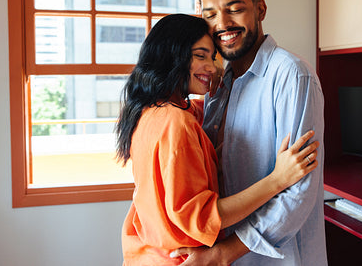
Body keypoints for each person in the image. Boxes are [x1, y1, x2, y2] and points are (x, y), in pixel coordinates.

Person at [115, 13, 319, 265]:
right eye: (200, 56)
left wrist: (220, 79)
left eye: (213, 57)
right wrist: (278, 180)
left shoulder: (147, 111)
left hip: (148, 253)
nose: (211, 67)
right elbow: (201, 218)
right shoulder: (176, 123)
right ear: (171, 55)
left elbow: (198, 118)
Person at [171, 0, 328, 265]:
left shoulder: (291, 76)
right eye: (211, 15)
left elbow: (299, 192)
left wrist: (223, 254)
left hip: (277, 258)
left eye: (234, 8)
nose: (223, 24)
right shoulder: (220, 84)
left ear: (261, 10)